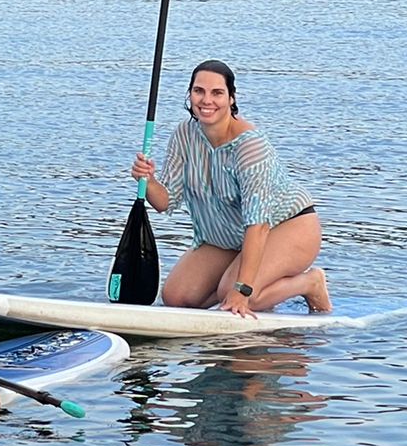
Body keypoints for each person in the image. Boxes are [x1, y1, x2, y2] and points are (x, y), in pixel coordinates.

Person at [130, 60, 330, 316]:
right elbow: (165, 202)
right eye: (198, 91)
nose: (206, 100)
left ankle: (309, 282)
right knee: (176, 297)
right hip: (229, 237)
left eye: (217, 93)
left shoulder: (250, 147)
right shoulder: (184, 134)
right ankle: (251, 285)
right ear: (189, 95)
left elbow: (257, 225)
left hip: (287, 226)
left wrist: (242, 290)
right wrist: (147, 180)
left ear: (231, 99)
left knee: (235, 293)